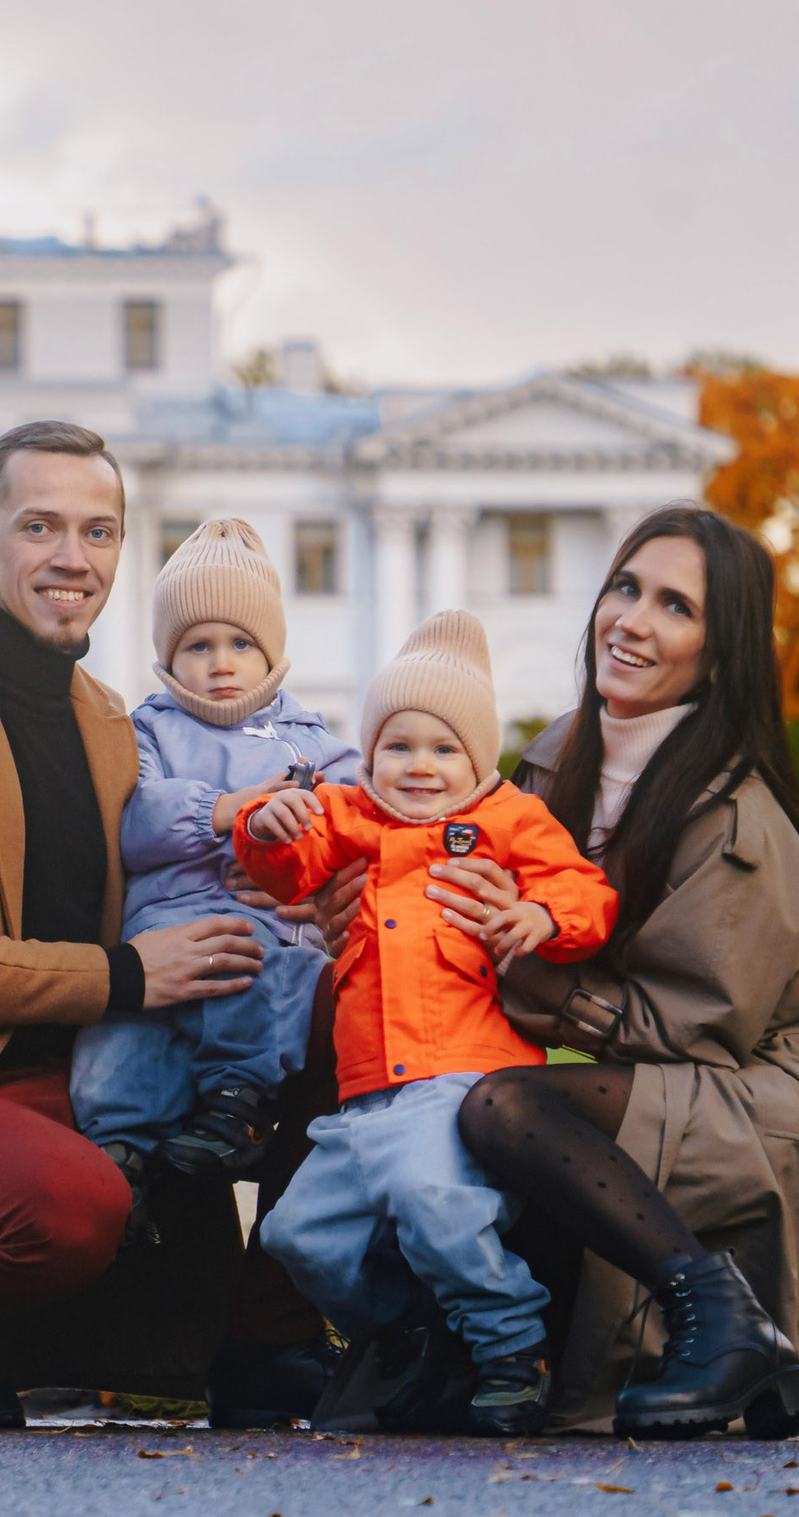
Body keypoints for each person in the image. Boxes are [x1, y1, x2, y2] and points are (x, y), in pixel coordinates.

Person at [0, 420, 365, 1429]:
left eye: (98, 533)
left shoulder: (115, 723)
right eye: (40, 526)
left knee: (344, 1011)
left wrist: (311, 898)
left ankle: (265, 1338)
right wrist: (127, 976)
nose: (71, 558)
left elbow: (191, 867)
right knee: (70, 1208)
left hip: (112, 1052)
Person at [427, 503, 799, 1437]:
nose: (631, 619)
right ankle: (423, 1346)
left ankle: (719, 1317)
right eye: (626, 587)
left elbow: (694, 1025)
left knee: (510, 1108)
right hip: (654, 1065)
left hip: (755, 1093)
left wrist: (522, 975)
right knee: (429, 1093)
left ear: (720, 656)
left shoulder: (738, 817)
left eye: (675, 605)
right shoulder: (558, 759)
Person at [235, 611, 619, 1435]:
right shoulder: (347, 814)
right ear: (369, 751)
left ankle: (513, 1346)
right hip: (365, 1095)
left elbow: (586, 891)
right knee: (296, 1233)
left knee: (435, 1200)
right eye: (399, 745)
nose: (420, 766)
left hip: (461, 1078)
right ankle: (405, 1319)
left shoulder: (509, 819)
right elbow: (284, 861)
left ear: (477, 761)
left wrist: (540, 915)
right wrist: (260, 824)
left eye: (445, 749)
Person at [69, 519, 362, 1218]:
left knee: (263, 982)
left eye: (241, 643)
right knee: (120, 1040)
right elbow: (134, 822)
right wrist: (227, 810)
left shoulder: (314, 745)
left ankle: (239, 1108)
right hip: (161, 931)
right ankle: (119, 1160)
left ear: (272, 653)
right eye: (198, 644)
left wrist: (309, 876)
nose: (221, 662)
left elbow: (353, 830)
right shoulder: (146, 730)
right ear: (170, 655)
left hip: (260, 927)